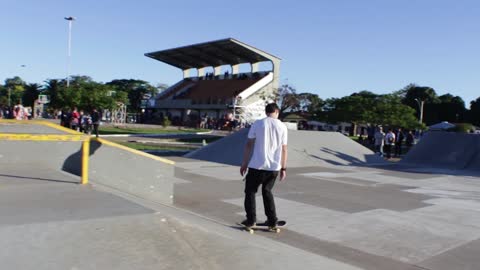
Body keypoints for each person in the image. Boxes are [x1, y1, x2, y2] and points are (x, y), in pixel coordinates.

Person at [240, 103, 288, 231]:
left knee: (250, 192)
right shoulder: (282, 126)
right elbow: (284, 149)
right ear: (277, 112)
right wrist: (283, 168)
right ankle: (272, 221)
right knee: (267, 192)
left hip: (256, 165)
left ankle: (251, 220)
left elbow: (249, 144)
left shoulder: (257, 123)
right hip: (273, 168)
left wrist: (244, 163)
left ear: (266, 112)